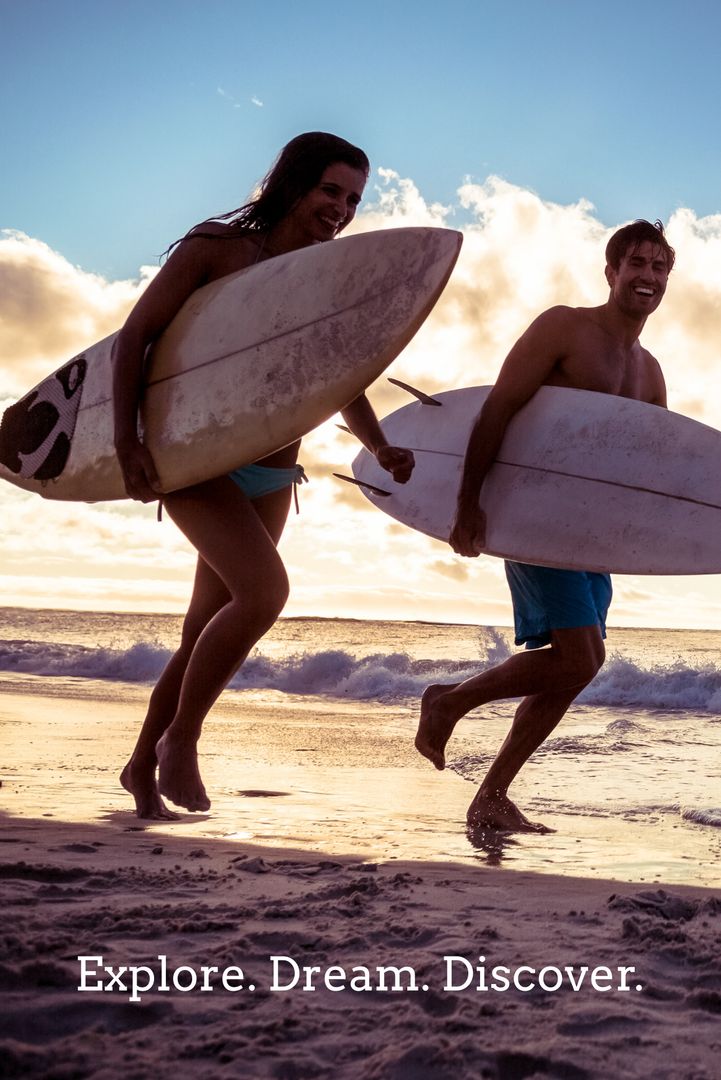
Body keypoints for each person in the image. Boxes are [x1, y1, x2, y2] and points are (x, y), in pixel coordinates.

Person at [114, 132, 414, 819]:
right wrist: (129, 440)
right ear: (292, 184)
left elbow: (338, 377)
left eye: (353, 200)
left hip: (274, 475)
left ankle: (139, 766)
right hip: (195, 463)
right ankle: (181, 740)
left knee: (202, 633)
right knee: (264, 594)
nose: (341, 209)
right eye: (330, 190)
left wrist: (380, 445)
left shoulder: (326, 277)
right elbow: (136, 337)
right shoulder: (216, 249)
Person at [415, 219, 674, 834]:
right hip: (535, 514)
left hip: (592, 535)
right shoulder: (564, 328)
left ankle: (491, 795)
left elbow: (650, 469)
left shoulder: (651, 372)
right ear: (611, 271)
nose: (649, 277)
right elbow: (497, 409)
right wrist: (468, 504)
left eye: (660, 267)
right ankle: (449, 700)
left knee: (579, 662)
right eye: (637, 263)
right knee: (580, 658)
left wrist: (645, 541)